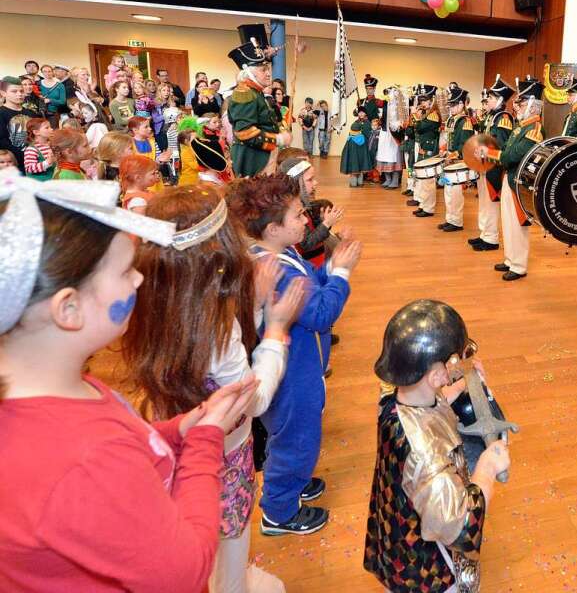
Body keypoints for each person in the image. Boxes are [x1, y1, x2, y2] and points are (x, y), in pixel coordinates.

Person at [0, 173, 259, 592]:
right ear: (68, 308)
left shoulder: (65, 391)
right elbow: (185, 572)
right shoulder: (85, 459)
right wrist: (206, 441)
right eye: (125, 272)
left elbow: (127, 446)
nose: (140, 280)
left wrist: (175, 433)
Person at [123, 186, 304, 593]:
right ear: (217, 256)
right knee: (229, 534)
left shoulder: (155, 298)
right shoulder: (215, 332)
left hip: (170, 429)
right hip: (222, 447)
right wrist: (275, 331)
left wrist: (254, 304)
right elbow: (252, 401)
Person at [227, 174, 361, 537]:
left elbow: (311, 286)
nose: (307, 221)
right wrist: (343, 273)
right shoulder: (274, 268)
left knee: (287, 436)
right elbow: (320, 313)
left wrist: (330, 269)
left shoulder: (278, 252)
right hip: (292, 375)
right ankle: (280, 511)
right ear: (273, 228)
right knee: (297, 440)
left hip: (295, 365)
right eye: (299, 216)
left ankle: (292, 481)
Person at [364, 299, 510, 592]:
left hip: (396, 530)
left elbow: (430, 405)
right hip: (423, 568)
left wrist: (455, 390)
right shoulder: (427, 460)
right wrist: (486, 467)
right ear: (435, 375)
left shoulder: (393, 399)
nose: (460, 367)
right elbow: (462, 526)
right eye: (455, 362)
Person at [474, 78, 545, 281]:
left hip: (520, 182)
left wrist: (490, 153)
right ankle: (509, 259)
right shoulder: (521, 127)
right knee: (507, 222)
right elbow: (506, 151)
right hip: (510, 177)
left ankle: (519, 265)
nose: (517, 107)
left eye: (521, 104)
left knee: (517, 225)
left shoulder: (534, 130)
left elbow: (511, 155)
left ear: (533, 106)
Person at [226, 25, 289, 177]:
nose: (268, 74)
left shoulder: (256, 93)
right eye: (263, 70)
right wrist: (278, 139)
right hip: (252, 159)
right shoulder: (244, 93)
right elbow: (244, 132)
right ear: (248, 73)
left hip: (261, 155)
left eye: (268, 69)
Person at [468, 77, 515, 253]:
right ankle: (484, 233)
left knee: (491, 202)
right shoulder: (492, 116)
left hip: (493, 166)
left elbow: (500, 144)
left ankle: (491, 238)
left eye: (492, 98)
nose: (488, 100)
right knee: (484, 202)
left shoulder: (504, 118)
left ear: (501, 100)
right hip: (484, 164)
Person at [278, 156, 345, 269]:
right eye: (310, 180)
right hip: (310, 264)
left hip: (317, 260)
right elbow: (307, 243)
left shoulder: (301, 203)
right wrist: (326, 224)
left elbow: (311, 230)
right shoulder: (294, 210)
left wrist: (321, 221)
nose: (315, 182)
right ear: (295, 183)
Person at [438, 84, 475, 232]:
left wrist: (451, 154)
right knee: (448, 191)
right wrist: (444, 150)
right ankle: (450, 218)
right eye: (450, 105)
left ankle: (457, 221)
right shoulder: (452, 119)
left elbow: (465, 145)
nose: (451, 108)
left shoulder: (465, 121)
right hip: (449, 160)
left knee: (455, 193)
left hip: (458, 161)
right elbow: (449, 139)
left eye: (453, 105)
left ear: (461, 104)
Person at [411, 86, 441, 218]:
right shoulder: (428, 113)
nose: (422, 103)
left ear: (432, 100)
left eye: (425, 100)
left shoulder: (434, 114)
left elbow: (420, 128)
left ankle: (428, 208)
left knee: (428, 181)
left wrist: (417, 117)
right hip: (425, 148)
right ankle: (423, 204)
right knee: (422, 179)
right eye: (422, 100)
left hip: (430, 149)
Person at [376, 88, 403, 188]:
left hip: (394, 134)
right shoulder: (383, 104)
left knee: (394, 157)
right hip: (384, 132)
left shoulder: (399, 106)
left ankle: (395, 180)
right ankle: (388, 179)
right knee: (383, 155)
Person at [0, 76, 29, 169]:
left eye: (21, 91)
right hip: (12, 163)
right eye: (14, 91)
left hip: (33, 161)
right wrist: (23, 154)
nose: (19, 94)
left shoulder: (31, 113)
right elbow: (2, 141)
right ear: (3, 93)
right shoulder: (1, 113)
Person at [340, 107, 373, 187]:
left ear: (365, 113)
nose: (361, 114)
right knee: (355, 162)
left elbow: (368, 135)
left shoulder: (367, 123)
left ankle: (360, 182)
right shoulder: (355, 122)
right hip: (354, 147)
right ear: (358, 114)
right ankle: (353, 182)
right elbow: (351, 133)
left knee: (361, 163)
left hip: (362, 147)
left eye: (363, 112)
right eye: (359, 112)